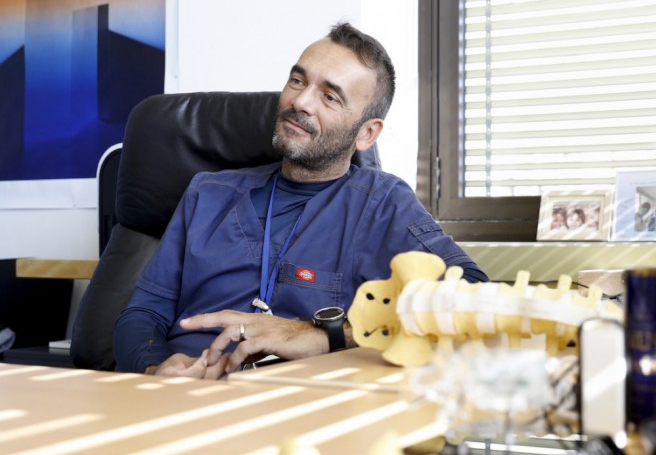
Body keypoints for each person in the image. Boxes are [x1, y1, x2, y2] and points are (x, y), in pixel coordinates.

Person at [113, 22, 487, 378]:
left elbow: (473, 297)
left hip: (297, 408)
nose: (300, 101)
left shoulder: (382, 203)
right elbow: (143, 313)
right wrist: (154, 369)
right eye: (297, 80)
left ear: (367, 134)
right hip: (181, 398)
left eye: (329, 96)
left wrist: (324, 334)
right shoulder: (207, 193)